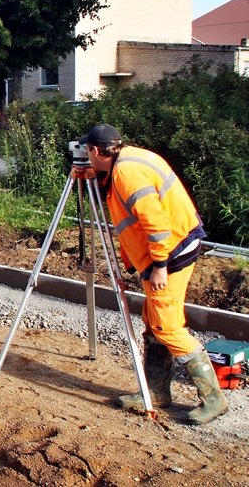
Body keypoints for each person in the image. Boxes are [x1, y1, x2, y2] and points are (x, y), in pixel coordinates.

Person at [81, 124, 227, 425]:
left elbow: (156, 223)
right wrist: (95, 177)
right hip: (176, 244)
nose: (86, 157)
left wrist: (159, 265)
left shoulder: (126, 174)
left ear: (96, 151)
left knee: (168, 327)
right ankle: (157, 391)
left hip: (170, 252)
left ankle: (214, 398)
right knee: (154, 321)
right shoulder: (128, 159)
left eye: (87, 152)